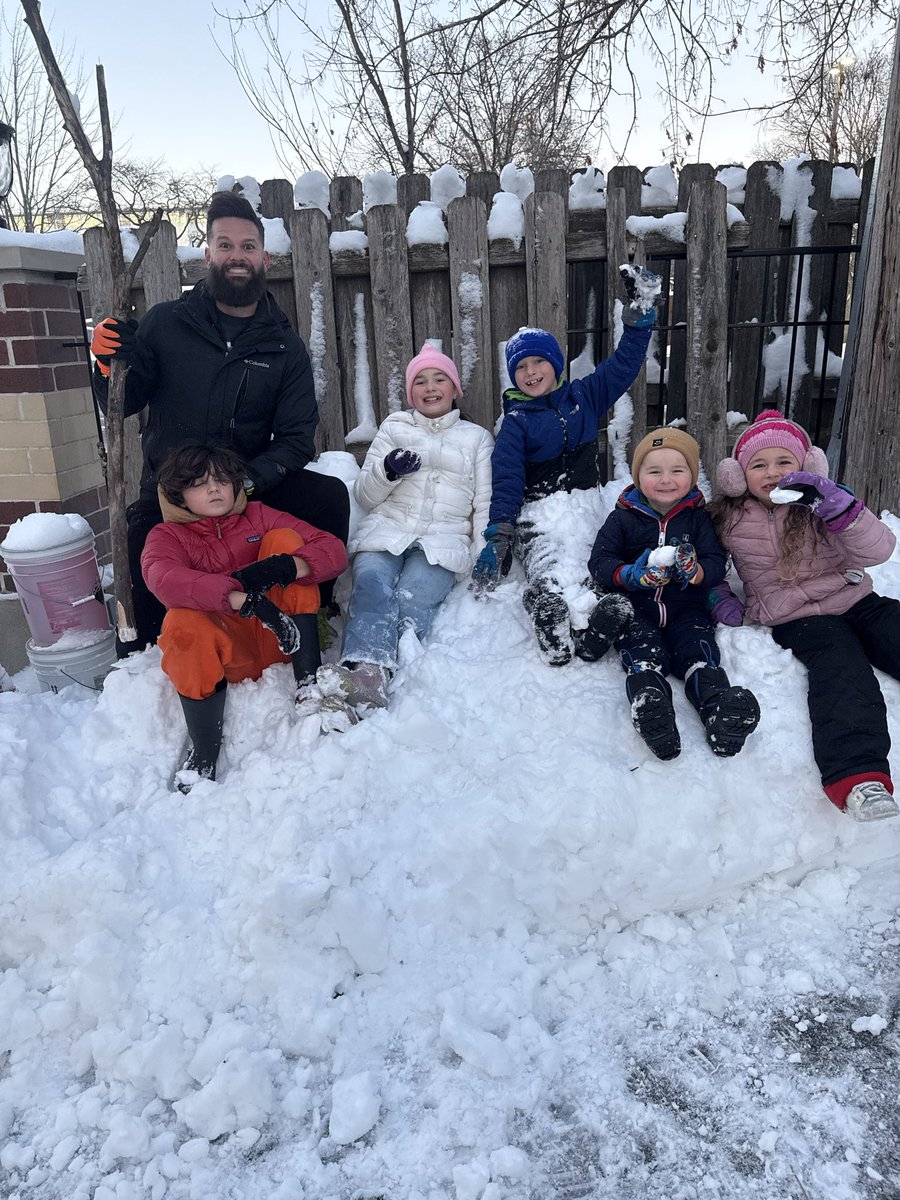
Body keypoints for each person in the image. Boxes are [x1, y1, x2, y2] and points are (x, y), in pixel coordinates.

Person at [90, 189, 350, 653]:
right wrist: (108, 365)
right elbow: (123, 402)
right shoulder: (165, 324)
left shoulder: (284, 346)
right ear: (208, 255)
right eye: (225, 245)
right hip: (172, 489)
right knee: (141, 559)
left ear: (264, 259)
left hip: (246, 484)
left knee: (328, 497)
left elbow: (296, 440)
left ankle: (314, 611)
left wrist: (244, 483)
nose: (237, 256)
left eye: (248, 246)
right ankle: (146, 657)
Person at [710, 409, 900, 822]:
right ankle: (859, 778)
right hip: (797, 617)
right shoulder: (727, 518)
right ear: (737, 476)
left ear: (807, 466)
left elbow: (881, 550)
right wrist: (718, 597)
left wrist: (839, 507)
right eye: (758, 465)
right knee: (841, 666)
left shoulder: (825, 503)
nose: (772, 473)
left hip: (855, 597)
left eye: (784, 461)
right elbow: (708, 567)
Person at [470, 265, 661, 666]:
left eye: (538, 362)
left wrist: (638, 321)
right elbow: (507, 479)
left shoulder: (584, 396)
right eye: (521, 367)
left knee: (597, 559)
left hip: (586, 505)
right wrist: (499, 533)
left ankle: (598, 625)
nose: (530, 372)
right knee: (548, 566)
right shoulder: (515, 423)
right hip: (539, 515)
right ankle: (549, 615)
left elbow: (623, 366)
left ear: (556, 365)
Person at [141, 443, 348, 791]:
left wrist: (283, 567)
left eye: (222, 480)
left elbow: (332, 549)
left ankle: (308, 683)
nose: (214, 489)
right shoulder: (167, 536)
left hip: (283, 637)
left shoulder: (258, 515)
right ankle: (205, 750)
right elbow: (164, 579)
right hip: (226, 655)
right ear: (178, 495)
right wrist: (243, 600)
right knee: (180, 623)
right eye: (199, 483)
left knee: (286, 541)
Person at [312, 343, 494, 725]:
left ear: (455, 388)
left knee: (413, 598)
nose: (430, 388)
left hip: (442, 542)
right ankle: (366, 674)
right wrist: (389, 471)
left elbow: (484, 502)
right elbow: (365, 494)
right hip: (387, 531)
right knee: (372, 586)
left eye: (439, 379)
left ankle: (369, 681)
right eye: (420, 382)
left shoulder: (477, 438)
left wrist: (484, 554)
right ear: (411, 393)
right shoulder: (395, 427)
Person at [589, 427, 760, 761]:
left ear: (692, 476)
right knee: (643, 656)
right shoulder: (622, 519)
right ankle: (653, 710)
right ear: (638, 477)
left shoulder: (698, 519)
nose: (666, 479)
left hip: (688, 609)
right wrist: (630, 575)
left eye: (677, 470)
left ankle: (718, 711)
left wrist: (697, 571)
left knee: (699, 654)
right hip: (638, 610)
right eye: (654, 471)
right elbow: (600, 561)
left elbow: (715, 561)